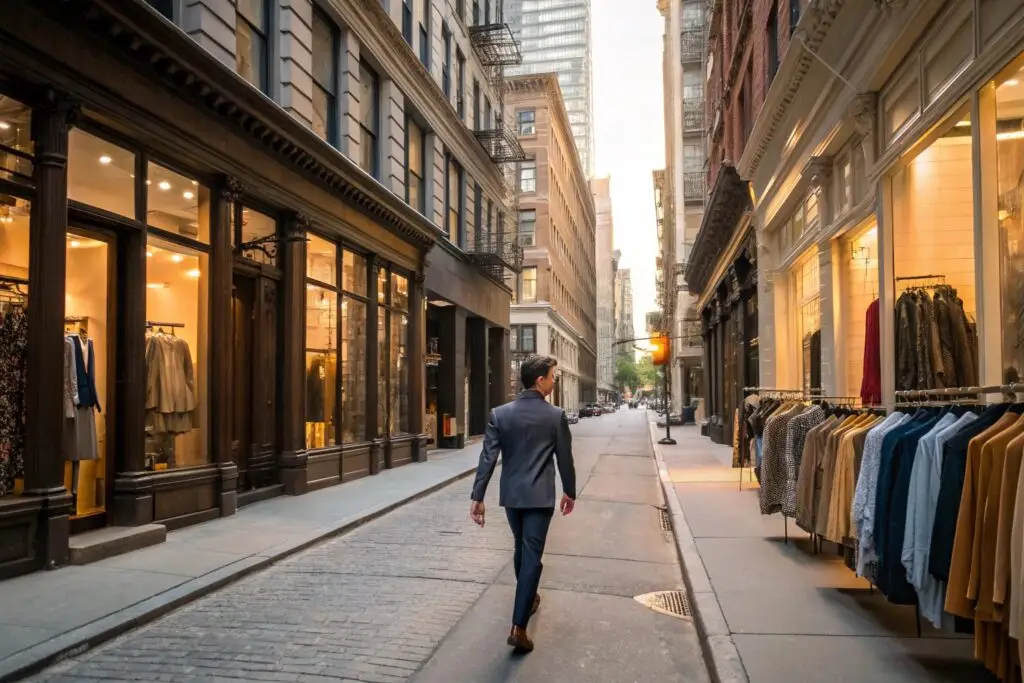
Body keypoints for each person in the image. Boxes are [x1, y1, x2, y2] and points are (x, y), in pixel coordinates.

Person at [469, 354, 577, 653]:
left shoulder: (499, 414)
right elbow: (564, 458)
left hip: (513, 497)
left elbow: (487, 458)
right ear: (540, 380)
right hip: (540, 497)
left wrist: (478, 496)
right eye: (553, 376)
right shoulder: (555, 415)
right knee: (531, 555)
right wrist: (570, 491)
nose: (554, 382)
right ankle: (519, 626)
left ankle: (528, 597)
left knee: (521, 547)